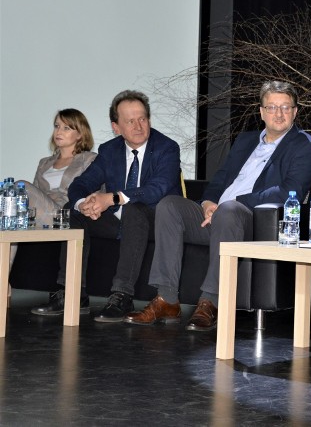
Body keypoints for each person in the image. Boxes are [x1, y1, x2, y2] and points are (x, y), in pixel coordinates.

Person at [124, 80, 311, 331]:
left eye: (285, 107)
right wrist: (208, 202)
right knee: (169, 205)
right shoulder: (246, 140)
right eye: (272, 107)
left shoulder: (306, 145)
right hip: (218, 215)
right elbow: (221, 178)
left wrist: (233, 202)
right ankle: (167, 299)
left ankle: (211, 302)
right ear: (261, 112)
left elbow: (289, 191)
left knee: (228, 210)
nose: (278, 113)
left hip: (252, 221)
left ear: (295, 111)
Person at [31, 90, 182, 322]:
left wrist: (112, 198)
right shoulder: (110, 150)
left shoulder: (167, 147)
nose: (138, 125)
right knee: (73, 210)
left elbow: (157, 188)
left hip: (155, 220)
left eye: (142, 118)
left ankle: (122, 295)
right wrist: (83, 204)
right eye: (130, 121)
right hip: (119, 220)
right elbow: (81, 184)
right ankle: (71, 292)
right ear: (116, 127)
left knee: (134, 209)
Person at [10, 109, 97, 264]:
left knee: (20, 186)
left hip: (66, 214)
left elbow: (93, 191)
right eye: (56, 126)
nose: (58, 131)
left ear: (80, 134)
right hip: (41, 216)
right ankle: (3, 283)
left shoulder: (89, 159)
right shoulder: (44, 163)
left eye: (66, 128)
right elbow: (35, 195)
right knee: (8, 219)